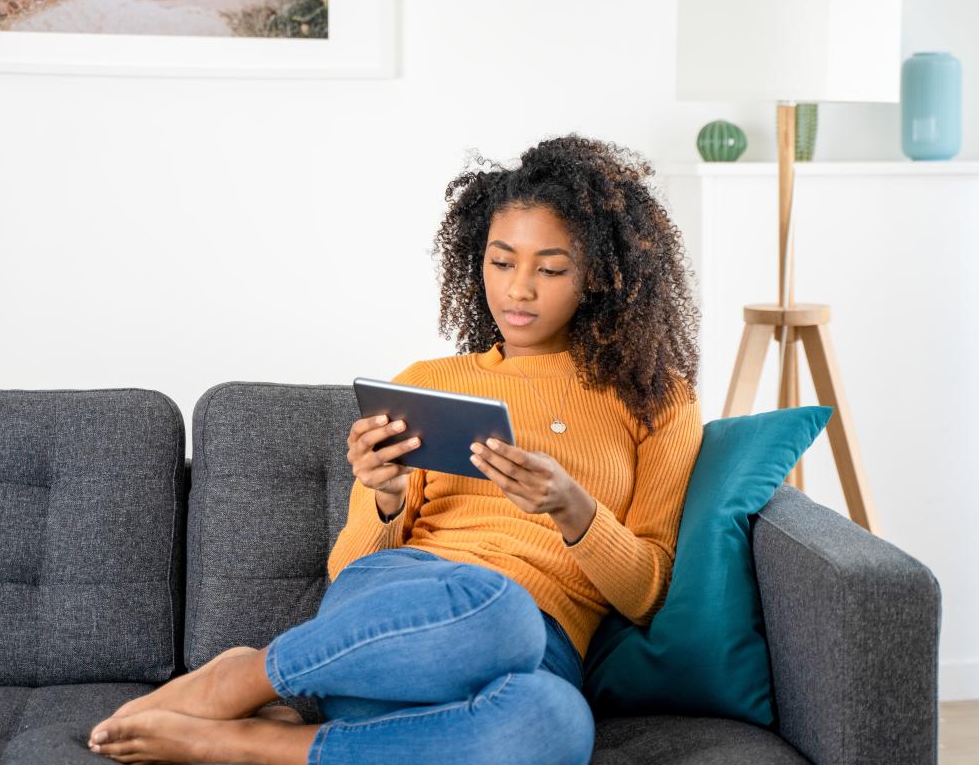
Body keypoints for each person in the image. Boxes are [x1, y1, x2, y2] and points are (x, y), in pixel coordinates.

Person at [85, 134, 704, 765]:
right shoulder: (428, 384)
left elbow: (647, 594)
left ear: (596, 275)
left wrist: (573, 507)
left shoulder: (656, 400)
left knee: (557, 724)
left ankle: (260, 742)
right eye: (501, 263)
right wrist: (385, 496)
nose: (519, 289)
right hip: (398, 619)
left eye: (549, 269)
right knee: (499, 611)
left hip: (538, 648)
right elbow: (350, 572)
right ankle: (243, 678)